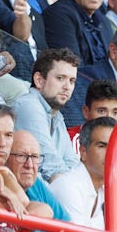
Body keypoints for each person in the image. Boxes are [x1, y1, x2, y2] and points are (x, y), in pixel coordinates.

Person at [10, 48, 79, 181]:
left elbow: (72, 162)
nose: (67, 87)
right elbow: (49, 163)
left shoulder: (56, 115)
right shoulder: (28, 105)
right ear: (39, 80)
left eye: (72, 81)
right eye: (60, 78)